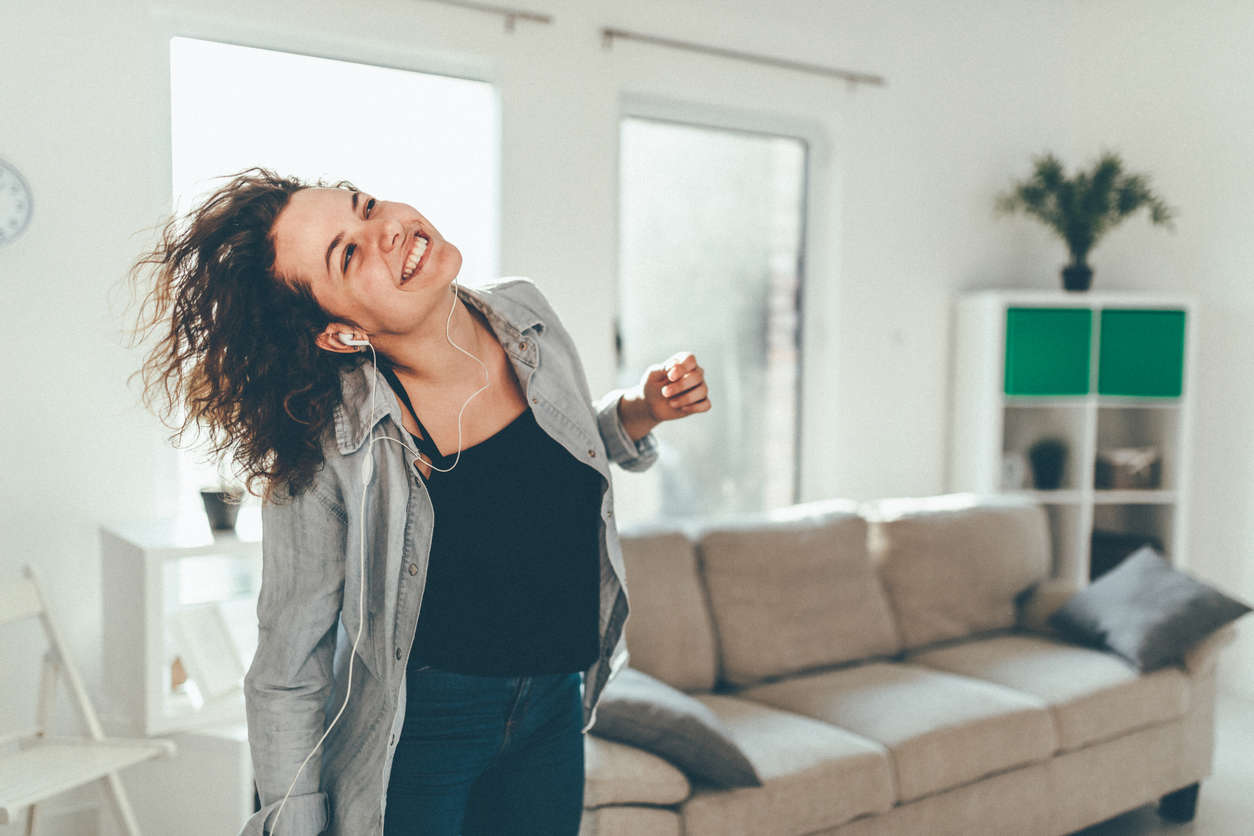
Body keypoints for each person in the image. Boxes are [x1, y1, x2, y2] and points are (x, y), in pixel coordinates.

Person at [124, 166, 711, 836]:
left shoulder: (526, 314)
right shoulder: (325, 447)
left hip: (555, 702)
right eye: (348, 253)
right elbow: (288, 667)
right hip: (423, 732)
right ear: (340, 334)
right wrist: (292, 824)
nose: (386, 230)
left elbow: (553, 459)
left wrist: (638, 411)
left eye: (367, 206)